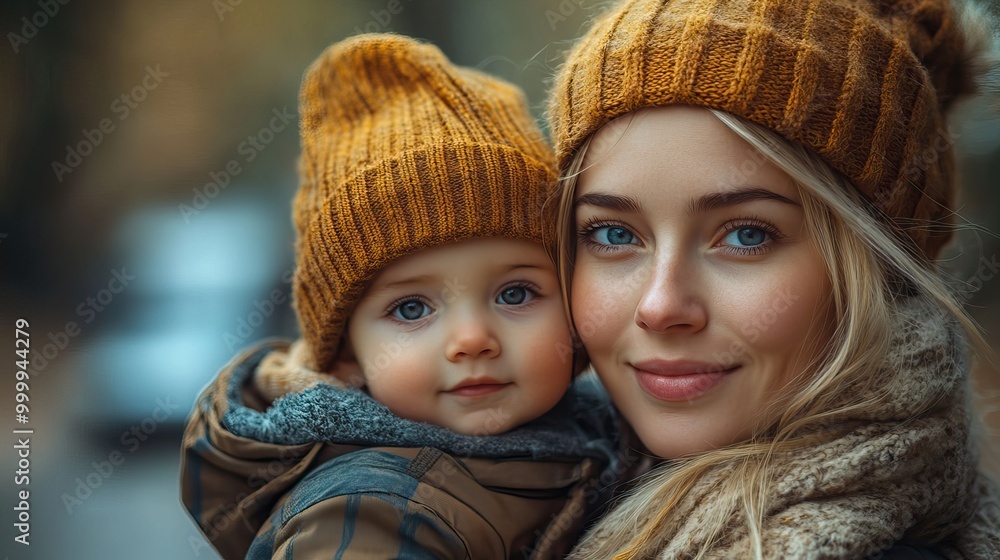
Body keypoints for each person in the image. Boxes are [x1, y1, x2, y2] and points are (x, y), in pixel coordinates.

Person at [546, 0, 1000, 558]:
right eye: (614, 235)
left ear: (882, 270)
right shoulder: (534, 486)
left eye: (746, 235)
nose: (661, 305)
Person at [180, 34, 618, 560]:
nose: (472, 339)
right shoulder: (368, 516)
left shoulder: (595, 437)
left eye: (516, 292)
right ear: (346, 357)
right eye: (412, 308)